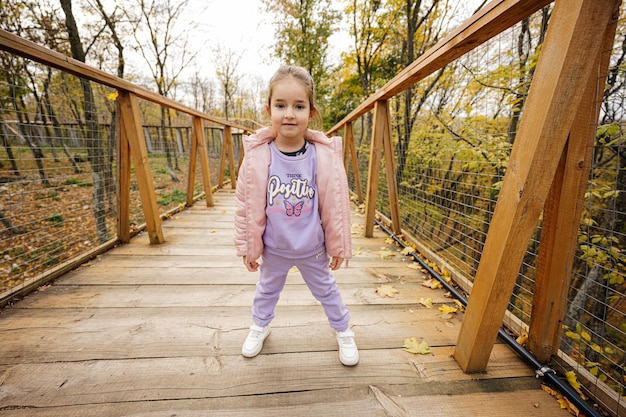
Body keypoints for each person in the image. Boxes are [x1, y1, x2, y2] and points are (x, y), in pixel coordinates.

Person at [233, 65, 358, 366]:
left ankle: (343, 330)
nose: (289, 113)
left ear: (311, 113)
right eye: (281, 105)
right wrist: (249, 248)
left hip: (312, 248)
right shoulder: (257, 157)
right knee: (266, 291)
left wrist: (338, 247)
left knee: (327, 291)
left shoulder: (321, 156)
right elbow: (245, 206)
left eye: (298, 106)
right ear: (269, 109)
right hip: (274, 247)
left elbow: (334, 206)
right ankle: (260, 326)